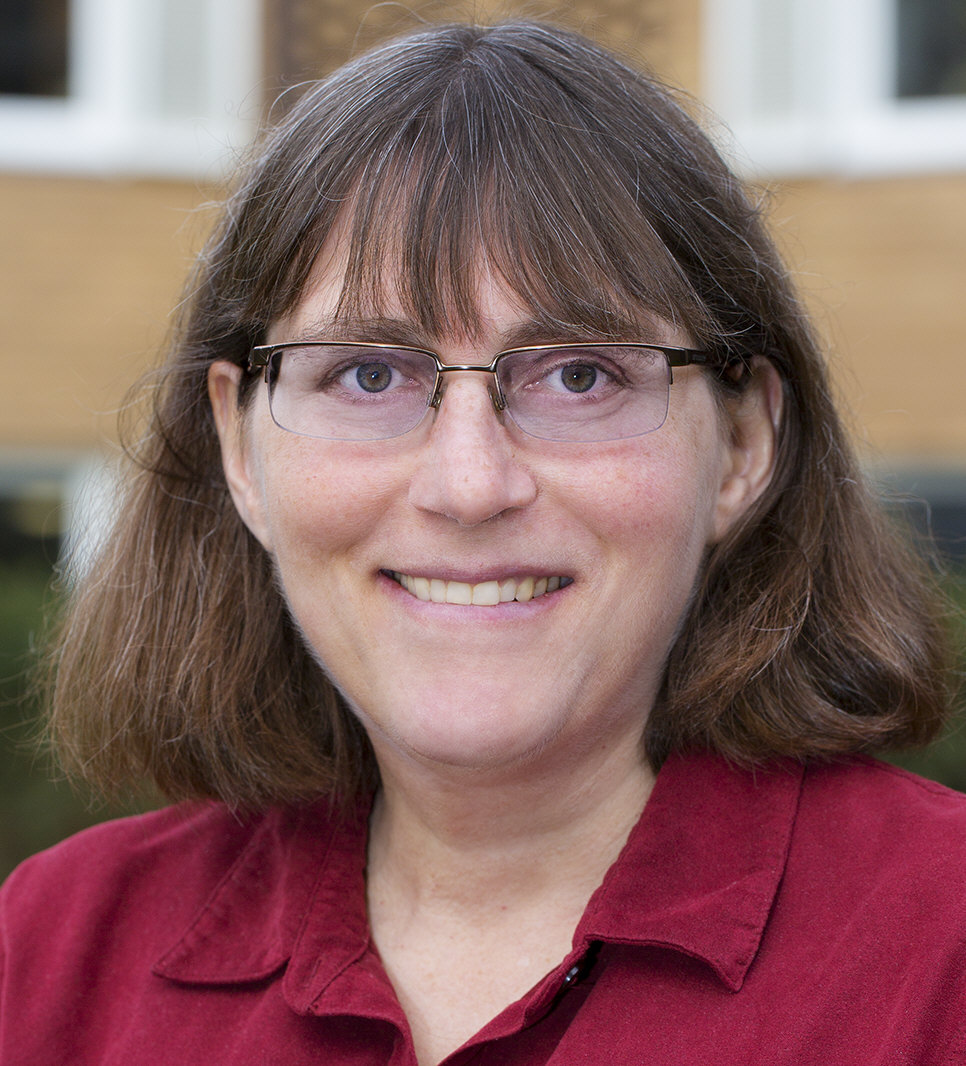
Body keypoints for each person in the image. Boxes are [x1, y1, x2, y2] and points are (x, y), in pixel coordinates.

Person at [0, 19, 960, 1066]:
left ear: (740, 443)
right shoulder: (55, 954)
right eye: (368, 373)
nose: (469, 485)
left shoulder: (940, 952)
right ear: (239, 444)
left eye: (579, 374)